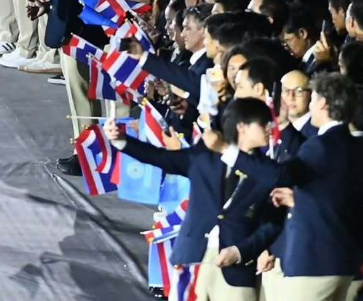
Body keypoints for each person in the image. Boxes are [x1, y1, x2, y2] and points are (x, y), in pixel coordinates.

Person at [204, 73, 363, 299]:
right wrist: (300, 198)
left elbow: (279, 175)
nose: (310, 105)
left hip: (313, 263)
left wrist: (225, 149)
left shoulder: (319, 146)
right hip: (343, 263)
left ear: (323, 103)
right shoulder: (357, 146)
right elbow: (334, 196)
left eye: (313, 98)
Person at [105, 98, 278, 300]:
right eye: (264, 123)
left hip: (236, 268)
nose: (270, 128)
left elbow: (272, 222)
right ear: (243, 127)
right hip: (192, 258)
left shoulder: (268, 171)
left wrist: (242, 251)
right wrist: (122, 141)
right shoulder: (205, 157)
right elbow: (161, 157)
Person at [26, 0, 105, 175]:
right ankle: (83, 150)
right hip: (68, 25)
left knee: (82, 94)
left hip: (78, 30)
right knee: (77, 93)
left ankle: (88, 155)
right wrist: (47, 6)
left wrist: (69, 24)